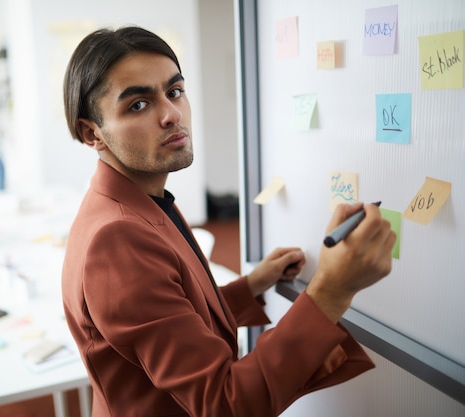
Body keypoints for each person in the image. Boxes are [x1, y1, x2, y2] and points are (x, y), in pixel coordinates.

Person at [61, 26, 396, 417]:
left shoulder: (132, 199)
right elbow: (222, 404)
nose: (171, 115)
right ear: (92, 132)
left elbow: (173, 318)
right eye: (138, 104)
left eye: (174, 92)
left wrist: (252, 285)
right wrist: (332, 291)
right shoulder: (118, 239)